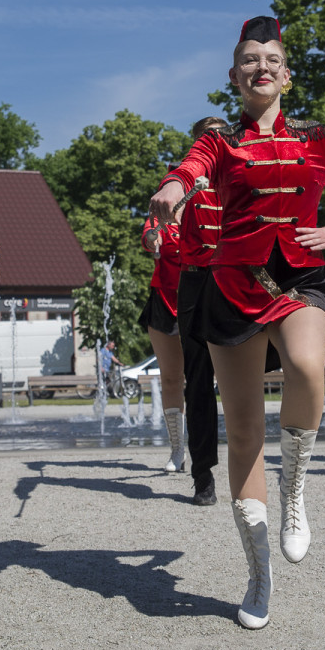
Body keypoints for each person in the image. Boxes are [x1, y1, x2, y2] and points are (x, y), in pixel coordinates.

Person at [149, 16, 325, 630]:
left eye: (272, 59)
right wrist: (175, 187)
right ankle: (258, 574)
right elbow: (191, 165)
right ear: (234, 76)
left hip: (300, 278)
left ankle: (298, 489)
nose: (262, 67)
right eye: (249, 60)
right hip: (234, 287)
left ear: (287, 74)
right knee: (244, 435)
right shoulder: (222, 141)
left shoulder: (317, 138)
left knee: (309, 368)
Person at [177, 116, 229, 506]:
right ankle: (202, 475)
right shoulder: (181, 183)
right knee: (197, 381)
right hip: (195, 281)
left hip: (236, 280)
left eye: (220, 136)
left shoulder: (241, 177)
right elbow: (162, 219)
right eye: (206, 138)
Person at [140, 187, 186, 473]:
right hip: (164, 302)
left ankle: (205, 450)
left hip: (200, 300)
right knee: (170, 379)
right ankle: (177, 449)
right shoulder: (159, 216)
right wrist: (152, 239)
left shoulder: (208, 210)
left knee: (202, 380)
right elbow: (148, 237)